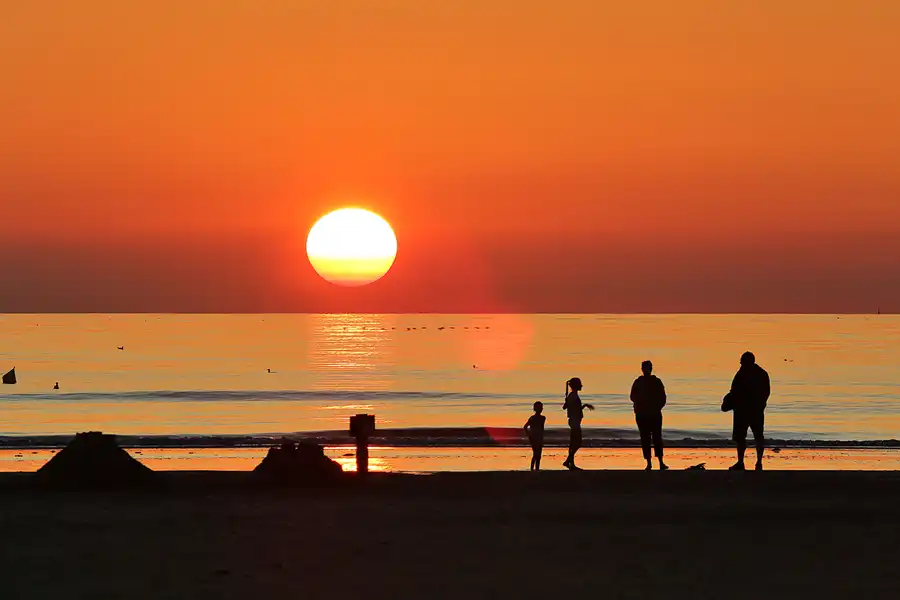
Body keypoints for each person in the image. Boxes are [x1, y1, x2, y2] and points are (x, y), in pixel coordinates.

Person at [723, 351, 770, 471]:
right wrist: (761, 405)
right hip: (755, 410)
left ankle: (742, 462)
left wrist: (730, 402)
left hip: (742, 411)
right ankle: (758, 463)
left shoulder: (742, 374)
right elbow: (766, 393)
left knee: (741, 438)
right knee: (757, 437)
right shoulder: (762, 373)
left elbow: (734, 391)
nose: (741, 364)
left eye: (742, 362)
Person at [630, 360, 668, 471]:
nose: (645, 370)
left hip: (654, 414)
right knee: (645, 439)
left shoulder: (656, 382)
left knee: (657, 438)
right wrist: (640, 405)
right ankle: (649, 463)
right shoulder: (638, 382)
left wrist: (657, 407)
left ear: (650, 369)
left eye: (647, 368)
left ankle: (661, 462)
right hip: (642, 415)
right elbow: (632, 396)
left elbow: (663, 398)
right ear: (642, 369)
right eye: (644, 368)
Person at [562, 377, 594, 470]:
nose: (581, 386)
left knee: (573, 443)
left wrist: (567, 401)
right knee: (577, 443)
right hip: (575, 421)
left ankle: (570, 463)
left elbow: (565, 407)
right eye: (580, 384)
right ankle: (568, 461)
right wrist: (584, 405)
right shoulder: (573, 396)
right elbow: (575, 409)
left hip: (573, 421)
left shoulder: (572, 395)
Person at [523, 401, 546, 471]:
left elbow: (541, 428)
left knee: (538, 455)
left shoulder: (542, 418)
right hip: (534, 438)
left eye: (541, 407)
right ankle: (533, 468)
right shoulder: (534, 418)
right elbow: (525, 427)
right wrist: (529, 435)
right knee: (536, 454)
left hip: (539, 438)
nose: (541, 409)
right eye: (540, 408)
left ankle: (536, 469)